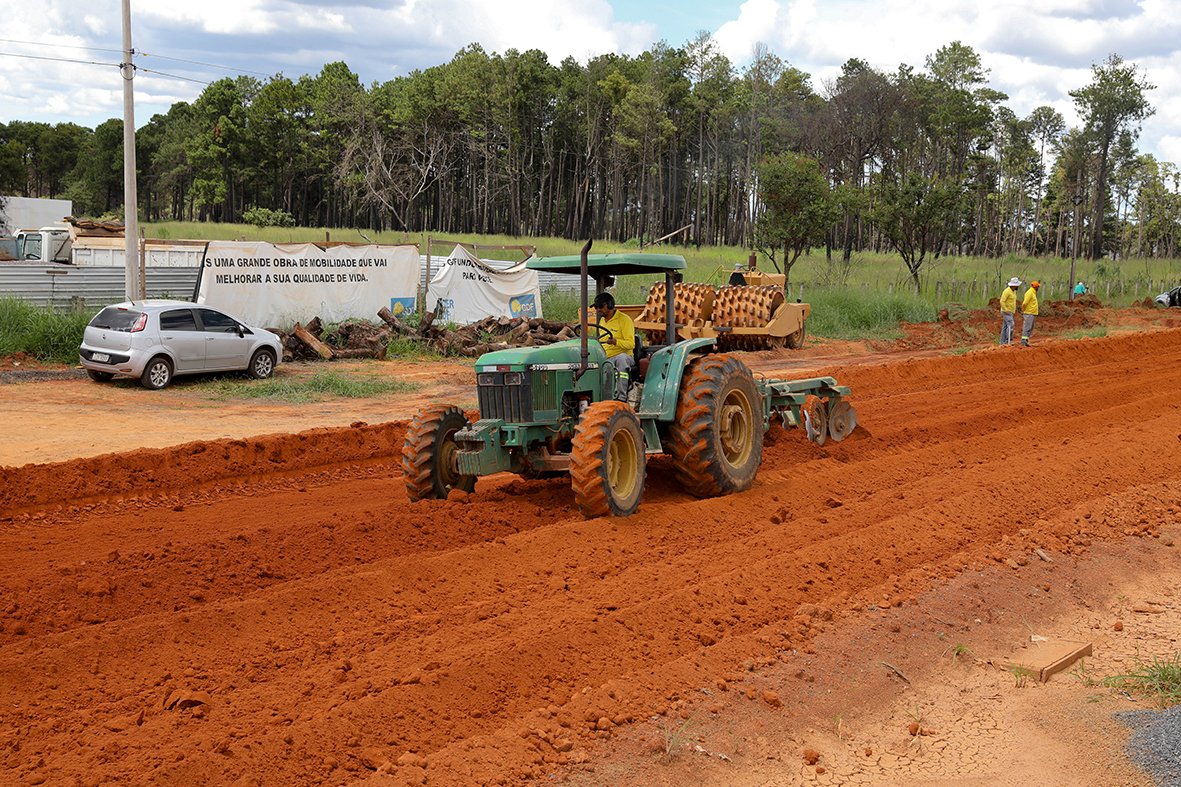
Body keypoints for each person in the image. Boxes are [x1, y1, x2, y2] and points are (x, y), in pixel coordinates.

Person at [592, 291, 635, 400]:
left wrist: (616, 341)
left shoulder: (624, 320)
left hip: (623, 356)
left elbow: (631, 344)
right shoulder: (602, 321)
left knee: (621, 359)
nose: (597, 310)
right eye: (596, 307)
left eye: (600, 307)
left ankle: (620, 398)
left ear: (609, 305)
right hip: (606, 357)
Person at [999, 276, 1020, 345]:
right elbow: (1002, 301)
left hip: (1010, 311)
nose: (1018, 287)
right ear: (1014, 285)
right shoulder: (1007, 291)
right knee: (1011, 325)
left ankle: (1002, 343)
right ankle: (1008, 341)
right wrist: (1006, 309)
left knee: (1005, 326)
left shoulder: (1013, 291)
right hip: (1006, 312)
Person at [1021, 280, 1040, 346]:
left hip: (1032, 313)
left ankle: (1026, 341)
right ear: (1036, 287)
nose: (1038, 288)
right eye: (1038, 287)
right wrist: (1024, 310)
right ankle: (1023, 342)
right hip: (1029, 313)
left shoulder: (1033, 292)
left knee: (1030, 328)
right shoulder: (1029, 293)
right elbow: (1025, 303)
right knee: (1027, 327)